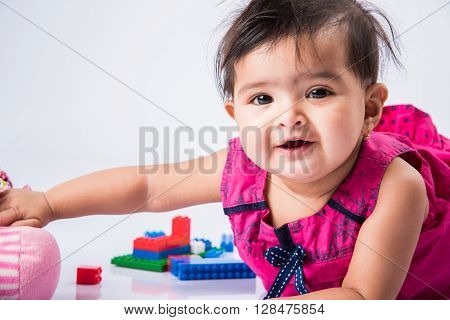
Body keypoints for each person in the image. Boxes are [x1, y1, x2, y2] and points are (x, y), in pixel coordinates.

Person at [0, 0, 448, 299]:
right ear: (236, 114)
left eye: (317, 93)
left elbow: (361, 298)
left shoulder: (396, 186)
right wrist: (49, 202)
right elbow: (147, 185)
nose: (287, 116)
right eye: (262, 99)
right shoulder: (243, 168)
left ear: (369, 108)